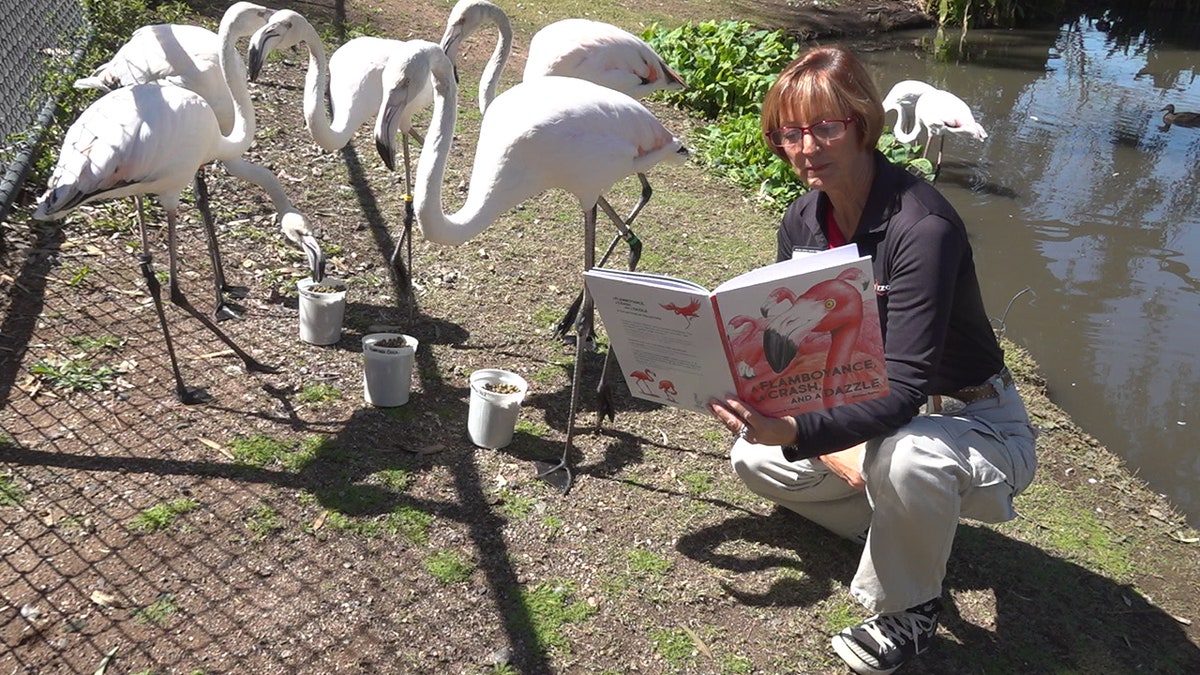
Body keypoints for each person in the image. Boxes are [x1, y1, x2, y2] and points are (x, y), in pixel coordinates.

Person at [708, 46, 1037, 675]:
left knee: (907, 454)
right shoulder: (804, 218)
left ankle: (910, 610)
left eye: (826, 127)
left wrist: (806, 432)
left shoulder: (924, 227)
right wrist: (737, 377)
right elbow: (796, 347)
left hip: (975, 421)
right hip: (868, 408)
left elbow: (908, 387)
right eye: (789, 133)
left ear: (862, 122)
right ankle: (911, 530)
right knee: (753, 457)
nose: (807, 147)